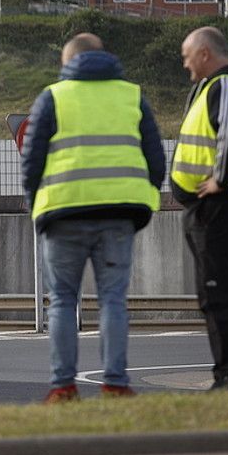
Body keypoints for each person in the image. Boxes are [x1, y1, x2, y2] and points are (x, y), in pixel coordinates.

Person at [20, 33, 165, 403]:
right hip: (119, 215)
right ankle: (115, 383)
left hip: (63, 213)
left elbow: (31, 161)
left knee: (63, 301)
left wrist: (36, 205)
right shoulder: (133, 96)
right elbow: (156, 161)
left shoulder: (53, 97)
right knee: (113, 298)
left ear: (68, 62)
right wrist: (144, 204)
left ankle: (63, 387)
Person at [172, 26, 228, 391]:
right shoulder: (214, 87)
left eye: (186, 55)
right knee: (216, 292)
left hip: (219, 205)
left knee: (219, 292)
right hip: (211, 207)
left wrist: (221, 180)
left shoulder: (225, 86)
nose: (184, 63)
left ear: (205, 53)